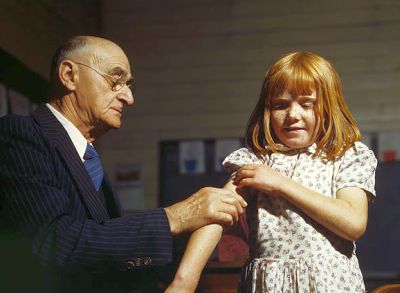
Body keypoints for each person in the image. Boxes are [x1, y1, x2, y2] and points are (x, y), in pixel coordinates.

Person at [0, 36, 247, 292]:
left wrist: (193, 232)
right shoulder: (20, 134)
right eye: (116, 81)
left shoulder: (87, 157)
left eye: (128, 85)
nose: (128, 98)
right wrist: (176, 217)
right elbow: (52, 242)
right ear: (69, 75)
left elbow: (108, 257)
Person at [166, 51, 377, 293]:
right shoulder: (255, 161)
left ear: (329, 107)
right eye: (280, 105)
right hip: (268, 285)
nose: (293, 115)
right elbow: (216, 215)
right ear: (267, 110)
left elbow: (353, 223)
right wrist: (183, 282)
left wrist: (280, 184)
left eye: (306, 104)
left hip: (329, 285)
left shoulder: (345, 155)